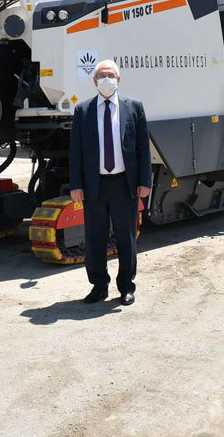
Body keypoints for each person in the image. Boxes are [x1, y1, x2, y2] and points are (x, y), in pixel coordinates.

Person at [68, 59, 152, 305]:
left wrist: (144, 181)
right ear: (95, 81)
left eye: (111, 75)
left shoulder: (134, 107)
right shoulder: (83, 110)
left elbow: (143, 148)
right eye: (102, 76)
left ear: (119, 79)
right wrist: (76, 185)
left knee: (127, 238)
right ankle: (99, 286)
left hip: (124, 184)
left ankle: (126, 287)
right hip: (94, 186)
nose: (107, 79)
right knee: (95, 238)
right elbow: (76, 151)